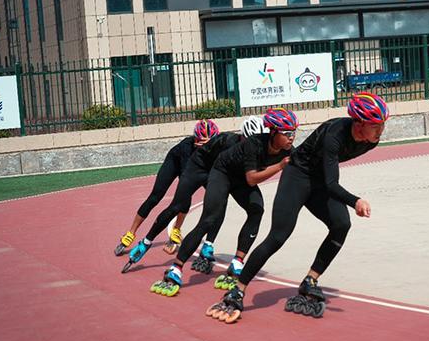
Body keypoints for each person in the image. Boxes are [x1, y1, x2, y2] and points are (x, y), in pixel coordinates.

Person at [206, 92, 388, 324]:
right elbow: (333, 184)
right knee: (278, 236)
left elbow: (327, 180)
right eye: (376, 126)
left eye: (382, 125)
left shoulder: (371, 141)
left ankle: (310, 280)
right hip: (297, 176)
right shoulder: (334, 135)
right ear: (360, 123)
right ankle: (238, 290)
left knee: (341, 224)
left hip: (319, 180)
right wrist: (355, 201)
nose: (381, 131)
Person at [149, 108, 298, 297]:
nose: (292, 137)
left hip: (240, 179)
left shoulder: (287, 150)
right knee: (209, 219)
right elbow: (252, 179)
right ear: (274, 132)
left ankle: (237, 262)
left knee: (256, 209)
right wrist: (280, 166)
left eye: (294, 132)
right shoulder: (255, 144)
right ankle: (176, 268)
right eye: (287, 133)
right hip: (223, 173)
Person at [120, 115, 267, 273]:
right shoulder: (225, 142)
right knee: (177, 205)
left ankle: (208, 246)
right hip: (197, 167)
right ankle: (146, 242)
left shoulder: (258, 146)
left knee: (220, 205)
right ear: (242, 137)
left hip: (217, 171)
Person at [113, 119, 219, 256]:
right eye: (203, 143)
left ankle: (177, 229)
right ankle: (130, 233)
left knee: (188, 197)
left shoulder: (217, 146)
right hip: (176, 162)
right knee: (155, 197)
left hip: (193, 167)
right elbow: (186, 178)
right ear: (196, 140)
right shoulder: (187, 148)